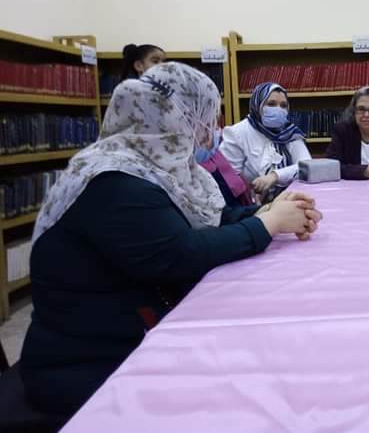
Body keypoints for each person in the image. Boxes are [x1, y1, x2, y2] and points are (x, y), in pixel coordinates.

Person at [20, 63, 322, 419]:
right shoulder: (116, 179)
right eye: (205, 120)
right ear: (175, 120)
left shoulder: (154, 167)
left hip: (132, 334)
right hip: (93, 364)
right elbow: (181, 254)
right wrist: (267, 224)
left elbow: (207, 219)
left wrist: (266, 211)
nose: (211, 133)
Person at [220, 83, 311, 203]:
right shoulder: (238, 133)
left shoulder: (290, 132)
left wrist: (275, 176)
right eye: (271, 104)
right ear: (258, 105)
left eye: (283, 106)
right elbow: (229, 178)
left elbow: (307, 166)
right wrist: (251, 195)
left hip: (290, 200)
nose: (278, 109)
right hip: (251, 204)